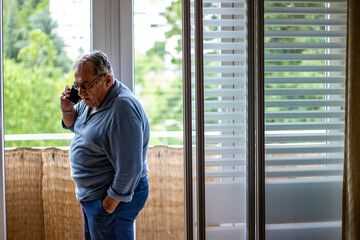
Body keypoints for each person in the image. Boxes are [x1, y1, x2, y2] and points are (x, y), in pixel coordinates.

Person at [59, 50, 150, 239]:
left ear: (107, 79)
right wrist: (68, 110)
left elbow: (130, 169)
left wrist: (108, 205)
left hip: (110, 199)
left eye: (86, 85)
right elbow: (76, 127)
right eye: (77, 85)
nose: (81, 92)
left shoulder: (123, 109)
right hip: (93, 196)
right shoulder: (92, 100)